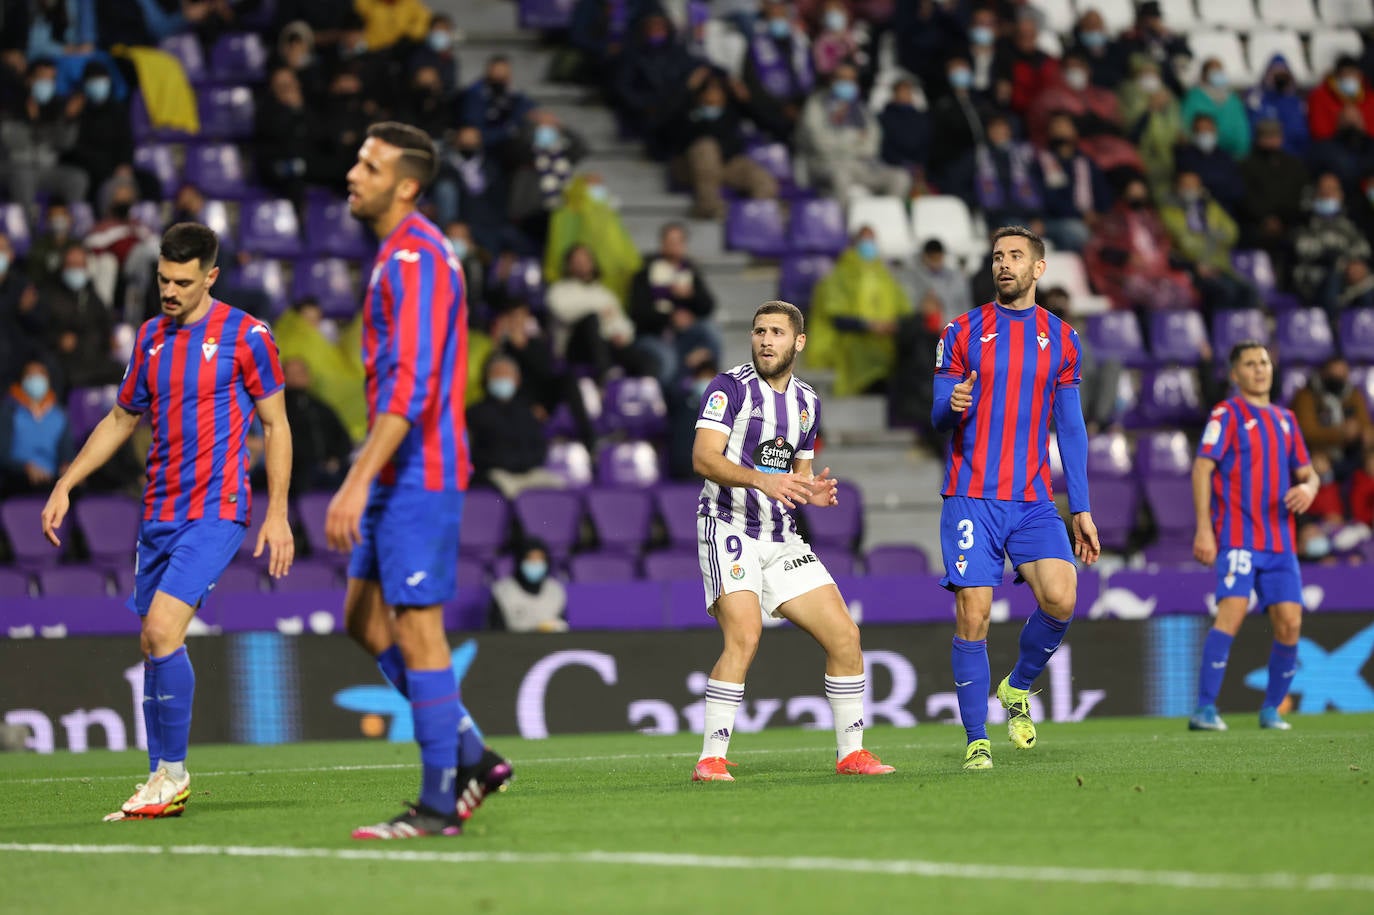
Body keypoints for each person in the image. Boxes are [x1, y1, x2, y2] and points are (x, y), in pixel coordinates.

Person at [39, 223, 295, 820]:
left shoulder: (248, 335)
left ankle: (173, 776)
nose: (170, 291)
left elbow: (276, 426)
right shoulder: (152, 336)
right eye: (162, 279)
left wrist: (278, 512)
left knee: (160, 631)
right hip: (158, 512)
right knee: (154, 641)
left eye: (183, 281)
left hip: (217, 509)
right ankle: (159, 777)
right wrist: (66, 482)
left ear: (211, 276)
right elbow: (122, 418)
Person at [328, 122, 510, 840]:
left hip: (419, 472)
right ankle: (471, 754)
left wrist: (355, 479)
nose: (353, 173)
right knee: (363, 619)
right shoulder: (398, 255)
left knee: (418, 628)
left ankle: (440, 803)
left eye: (368, 165)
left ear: (404, 184)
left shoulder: (420, 259)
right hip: (397, 473)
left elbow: (414, 386)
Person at [689, 299, 895, 782]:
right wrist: (764, 482)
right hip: (727, 526)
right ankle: (710, 759)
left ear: (798, 342)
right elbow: (703, 458)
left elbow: (794, 474)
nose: (765, 340)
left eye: (777, 332)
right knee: (744, 634)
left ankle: (851, 754)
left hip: (780, 536)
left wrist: (811, 491)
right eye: (760, 331)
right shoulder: (728, 389)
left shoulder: (807, 402)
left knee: (845, 636)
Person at [931, 226, 1101, 771]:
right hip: (971, 497)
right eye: (998, 256)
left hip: (1030, 499)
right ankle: (977, 739)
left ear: (1038, 268)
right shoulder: (960, 331)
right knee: (974, 612)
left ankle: (1017, 687)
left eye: (1016, 256)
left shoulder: (1063, 340)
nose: (1004, 264)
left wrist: (1081, 506)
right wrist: (952, 404)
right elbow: (937, 414)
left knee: (1062, 596)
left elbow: (1070, 429)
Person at [1190, 342, 1318, 731]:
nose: (1260, 369)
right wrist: (1204, 528)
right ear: (1235, 374)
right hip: (1238, 536)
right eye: (1250, 363)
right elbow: (1201, 468)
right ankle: (1205, 709)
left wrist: (1309, 489)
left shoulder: (1286, 419)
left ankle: (1271, 709)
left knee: (1290, 624)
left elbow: (1307, 473)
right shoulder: (1226, 414)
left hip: (1281, 542)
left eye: (1264, 361)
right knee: (1231, 613)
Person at [0, 360, 73, 493]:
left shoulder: (60, 415)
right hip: (16, 478)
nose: (36, 380)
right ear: (22, 380)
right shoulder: (8, 411)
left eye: (41, 375)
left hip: (52, 481)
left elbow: (66, 453)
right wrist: (25, 468)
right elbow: (3, 455)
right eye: (30, 375)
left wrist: (67, 467)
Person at [488, 539, 568, 633]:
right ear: (520, 560)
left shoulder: (556, 590)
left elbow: (562, 627)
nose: (535, 563)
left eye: (540, 559)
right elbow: (496, 633)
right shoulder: (502, 591)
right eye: (530, 558)